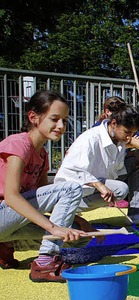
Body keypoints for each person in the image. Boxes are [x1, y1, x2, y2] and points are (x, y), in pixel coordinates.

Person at [0, 90, 91, 282]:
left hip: (10, 220)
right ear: (33, 117)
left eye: (64, 121)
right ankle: (45, 262)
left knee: (79, 235)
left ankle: (5, 245)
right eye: (54, 119)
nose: (60, 126)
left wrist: (75, 219)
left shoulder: (42, 156)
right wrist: (53, 228)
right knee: (71, 188)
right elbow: (11, 197)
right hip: (3, 213)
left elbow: (41, 199)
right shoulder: (18, 145)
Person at [55, 104, 139, 227]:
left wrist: (133, 154)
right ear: (114, 123)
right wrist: (98, 184)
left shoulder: (119, 140)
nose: (129, 137)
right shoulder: (90, 139)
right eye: (127, 132)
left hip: (102, 179)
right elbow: (72, 171)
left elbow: (115, 166)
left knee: (137, 163)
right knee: (120, 189)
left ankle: (135, 214)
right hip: (78, 187)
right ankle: (67, 208)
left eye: (132, 133)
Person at [94, 97, 139, 214]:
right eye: (117, 111)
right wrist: (130, 141)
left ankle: (135, 213)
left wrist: (132, 149)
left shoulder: (123, 128)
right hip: (97, 179)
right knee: (121, 189)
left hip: (115, 171)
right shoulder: (97, 132)